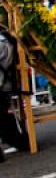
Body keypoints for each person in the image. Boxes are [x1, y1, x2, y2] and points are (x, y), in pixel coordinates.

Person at [0, 26, 28, 160]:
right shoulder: (5, 40)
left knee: (5, 120)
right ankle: (19, 141)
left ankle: (20, 141)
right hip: (4, 84)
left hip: (2, 84)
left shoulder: (3, 43)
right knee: (5, 119)